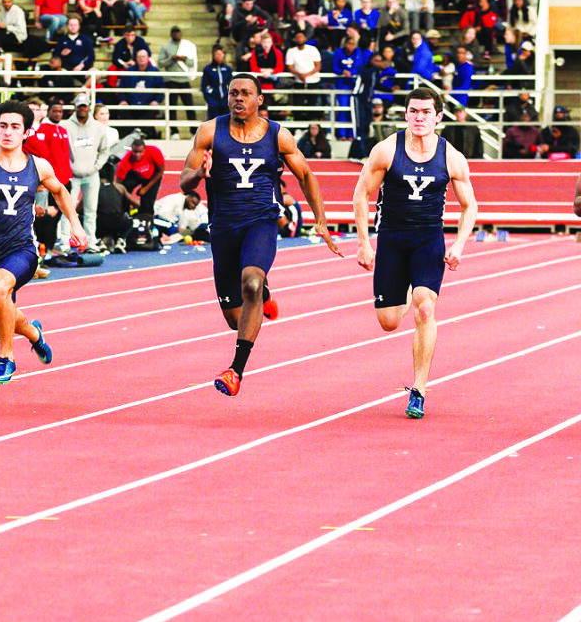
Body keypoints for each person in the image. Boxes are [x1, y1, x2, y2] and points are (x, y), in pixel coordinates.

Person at [179, 73, 343, 397]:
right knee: (234, 318)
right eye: (233, 93)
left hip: (261, 221)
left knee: (251, 280)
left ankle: (235, 370)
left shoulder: (277, 136)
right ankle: (264, 295)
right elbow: (184, 181)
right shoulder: (210, 132)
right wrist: (199, 173)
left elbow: (306, 175)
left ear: (259, 100)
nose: (238, 99)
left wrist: (321, 220)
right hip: (224, 227)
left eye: (245, 93)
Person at [352, 86, 478, 418]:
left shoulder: (451, 156)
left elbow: (470, 206)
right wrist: (365, 243)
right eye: (413, 111)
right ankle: (407, 288)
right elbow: (361, 194)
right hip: (392, 239)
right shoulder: (386, 150)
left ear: (438, 117)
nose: (419, 118)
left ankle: (418, 389)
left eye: (426, 112)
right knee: (389, 322)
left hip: (427, 240)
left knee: (425, 309)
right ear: (406, 114)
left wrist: (459, 244)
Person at [0, 100, 87, 384]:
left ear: (26, 133)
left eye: (15, 127)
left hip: (23, 249)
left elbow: (60, 191)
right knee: (3, 310)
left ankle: (6, 358)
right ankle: (35, 334)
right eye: (2, 126)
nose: (8, 132)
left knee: (0, 287)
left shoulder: (38, 165)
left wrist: (75, 224)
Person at [64, 93, 111, 250]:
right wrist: (68, 167)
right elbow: (61, 151)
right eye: (80, 106)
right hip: (72, 175)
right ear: (75, 107)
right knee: (68, 210)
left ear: (89, 107)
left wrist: (97, 166)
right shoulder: (65, 126)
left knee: (91, 210)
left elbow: (105, 150)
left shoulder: (98, 127)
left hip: (92, 174)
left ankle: (90, 241)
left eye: (85, 106)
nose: (82, 109)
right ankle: (64, 241)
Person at [114, 136, 164, 214]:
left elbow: (160, 172)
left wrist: (145, 189)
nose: (137, 155)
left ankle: (145, 215)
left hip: (152, 176)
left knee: (147, 204)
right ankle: (125, 212)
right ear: (131, 150)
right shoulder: (126, 160)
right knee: (124, 187)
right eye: (135, 152)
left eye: (140, 152)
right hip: (135, 175)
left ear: (144, 150)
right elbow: (118, 183)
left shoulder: (154, 152)